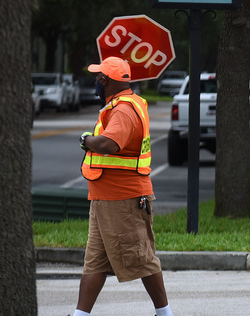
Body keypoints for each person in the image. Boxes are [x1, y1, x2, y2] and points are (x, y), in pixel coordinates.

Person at [73, 57, 173, 316]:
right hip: (105, 198)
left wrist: (86, 140)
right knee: (94, 263)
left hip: (123, 199)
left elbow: (109, 144)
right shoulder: (120, 105)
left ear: (105, 80)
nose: (96, 81)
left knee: (141, 258)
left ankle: (165, 314)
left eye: (98, 77)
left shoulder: (124, 110)